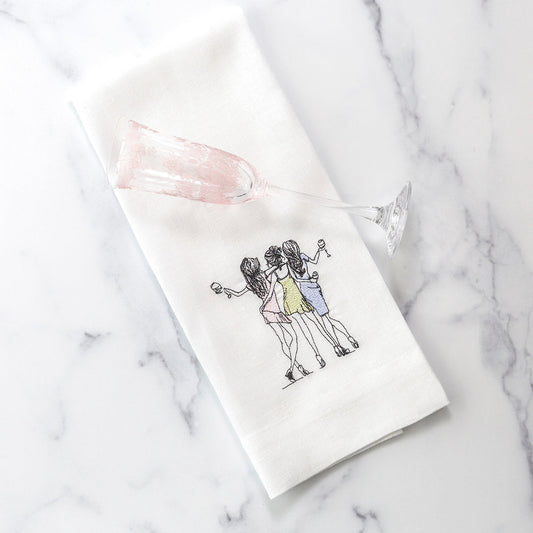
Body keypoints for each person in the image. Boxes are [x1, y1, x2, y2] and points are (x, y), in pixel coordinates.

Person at [222, 257, 310, 383]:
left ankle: (297, 367)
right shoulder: (264, 275)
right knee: (293, 337)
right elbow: (270, 289)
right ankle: (292, 368)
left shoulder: (251, 284)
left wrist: (225, 290)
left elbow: (238, 293)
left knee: (284, 341)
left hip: (267, 312)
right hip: (272, 310)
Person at [264, 245, 337, 368]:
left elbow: (270, 290)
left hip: (288, 301)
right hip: (297, 296)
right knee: (316, 322)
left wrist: (264, 304)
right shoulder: (287, 265)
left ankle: (318, 356)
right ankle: (335, 345)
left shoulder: (274, 274)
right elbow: (297, 279)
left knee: (305, 330)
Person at [282, 239, 359, 354]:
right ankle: (348, 339)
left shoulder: (289, 264)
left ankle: (338, 346)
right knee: (327, 318)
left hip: (305, 289)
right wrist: (311, 279)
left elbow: (296, 279)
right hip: (312, 286)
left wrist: (318, 250)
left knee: (325, 318)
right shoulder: (302, 256)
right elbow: (314, 261)